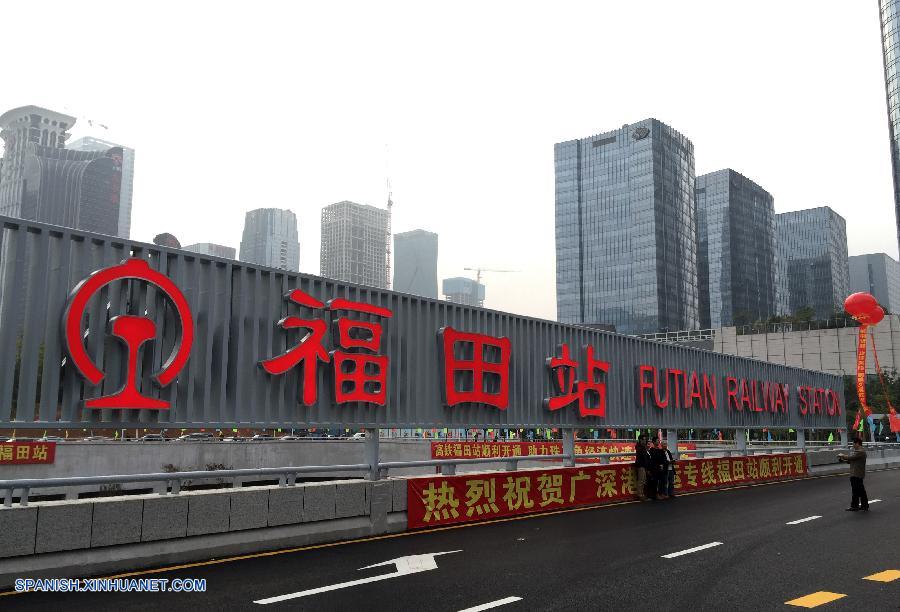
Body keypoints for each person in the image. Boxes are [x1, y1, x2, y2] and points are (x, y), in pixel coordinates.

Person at [838, 437, 868, 511]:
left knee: (856, 490)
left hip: (857, 474)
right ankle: (864, 505)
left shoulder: (861, 451)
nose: (853, 445)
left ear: (857, 443)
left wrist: (842, 455)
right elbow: (851, 460)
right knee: (860, 490)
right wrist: (843, 459)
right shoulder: (857, 451)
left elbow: (851, 457)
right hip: (855, 473)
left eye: (853, 443)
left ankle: (855, 506)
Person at [633, 435, 650, 501]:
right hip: (641, 466)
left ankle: (642, 494)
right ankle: (640, 495)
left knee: (643, 480)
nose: (644, 441)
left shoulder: (641, 447)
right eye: (643, 439)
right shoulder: (640, 447)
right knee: (641, 480)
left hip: (642, 466)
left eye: (645, 439)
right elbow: (643, 458)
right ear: (640, 440)